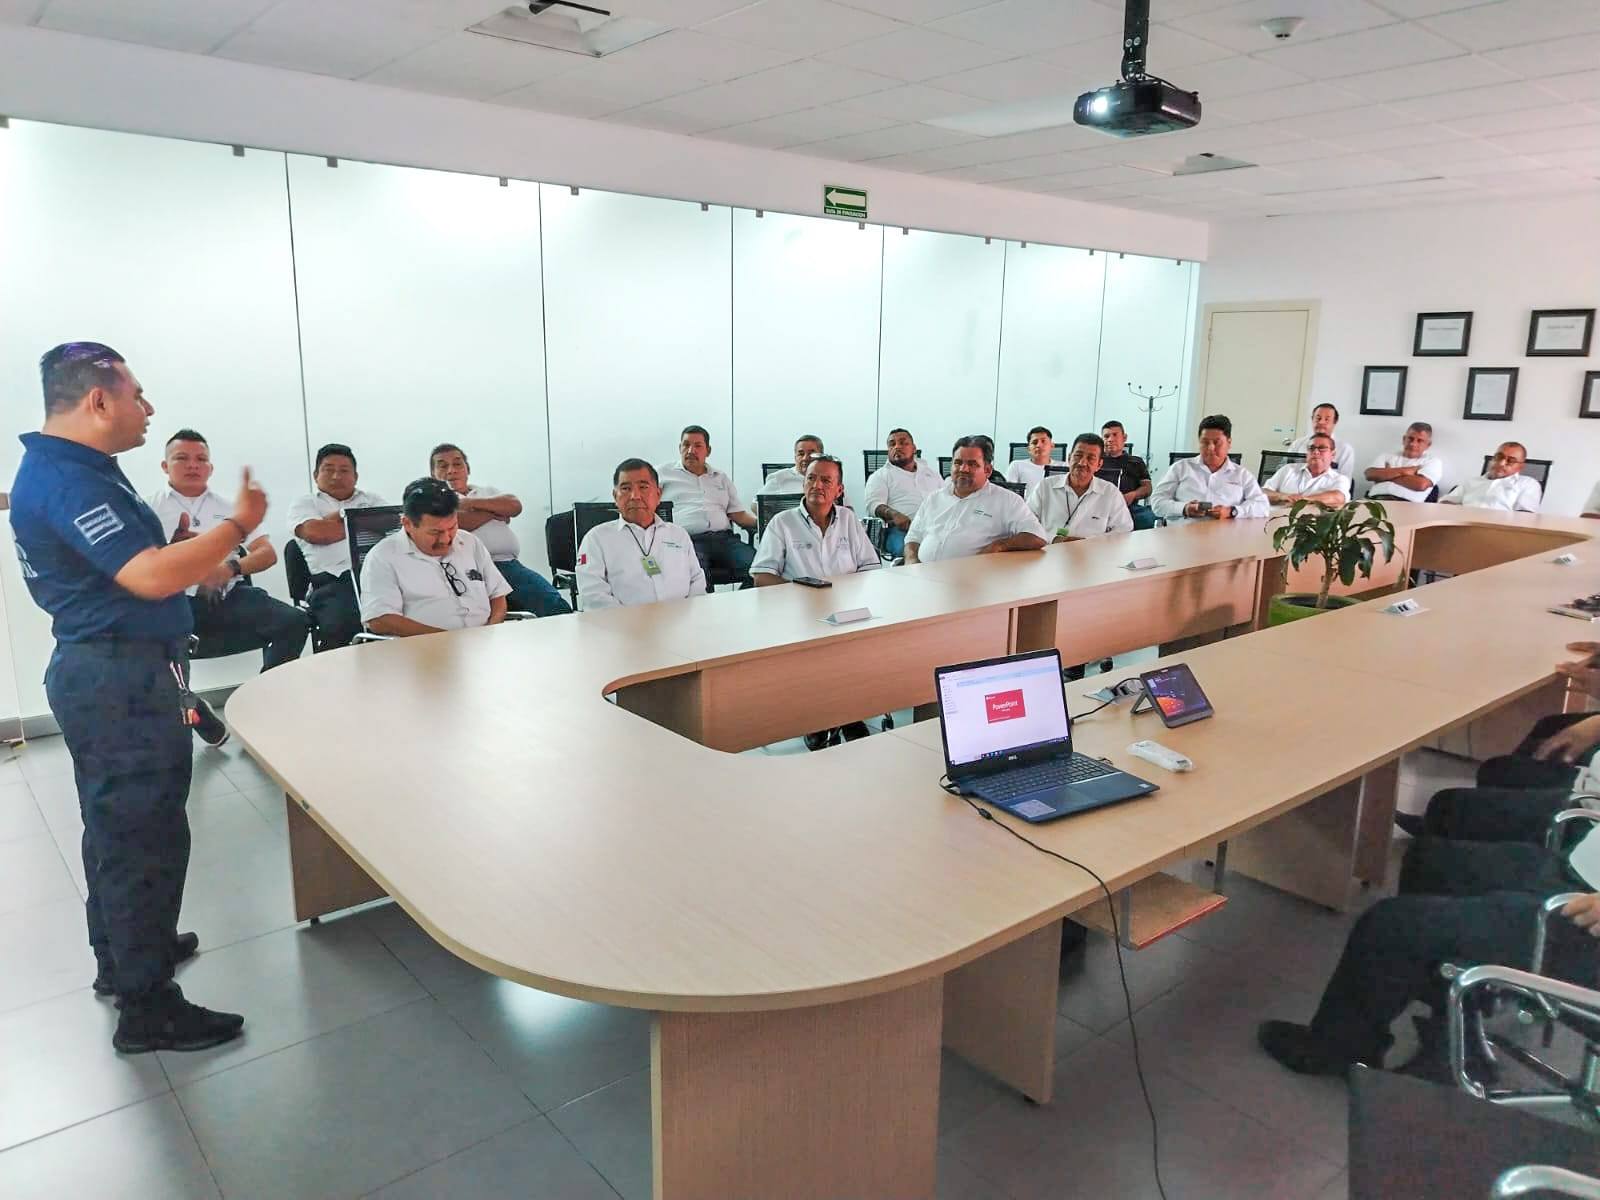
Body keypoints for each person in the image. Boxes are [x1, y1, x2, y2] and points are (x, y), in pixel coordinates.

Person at [10, 342, 256, 1053]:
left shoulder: (81, 469)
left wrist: (183, 548)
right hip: (119, 680)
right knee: (143, 837)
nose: (148, 408)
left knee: (118, 827)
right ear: (98, 400)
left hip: (117, 669)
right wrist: (236, 525)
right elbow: (148, 577)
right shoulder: (68, 479)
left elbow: (127, 565)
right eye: (137, 394)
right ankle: (148, 1008)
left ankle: (124, 956)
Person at [149, 429, 309, 688]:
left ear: (210, 468)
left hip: (228, 596)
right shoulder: (147, 509)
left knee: (294, 621)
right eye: (182, 458)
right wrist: (173, 552)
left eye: (201, 459)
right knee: (151, 641)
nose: (193, 465)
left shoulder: (232, 507)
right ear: (165, 466)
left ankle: (268, 693)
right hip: (173, 602)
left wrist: (230, 568)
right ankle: (181, 706)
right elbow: (137, 566)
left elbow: (267, 553)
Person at [752, 454, 880, 749]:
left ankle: (849, 714)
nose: (817, 485)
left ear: (839, 489)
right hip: (800, 612)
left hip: (846, 610)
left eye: (826, 480)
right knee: (818, 654)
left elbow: (871, 567)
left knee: (861, 649)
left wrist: (854, 597)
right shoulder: (783, 522)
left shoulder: (848, 520)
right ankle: (816, 719)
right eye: (811, 478)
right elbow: (761, 575)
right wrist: (800, 597)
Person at [427, 443, 570, 616]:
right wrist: (494, 512)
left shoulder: (487, 491)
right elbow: (457, 521)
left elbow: (514, 506)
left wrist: (469, 503)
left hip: (508, 564)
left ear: (467, 469)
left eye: (457, 464)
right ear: (433, 474)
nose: (451, 470)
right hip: (466, 570)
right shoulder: (432, 499)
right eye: (443, 466)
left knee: (556, 606)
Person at [358, 478, 511, 637]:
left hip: (483, 643)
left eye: (452, 527)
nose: (445, 539)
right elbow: (380, 619)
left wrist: (490, 631)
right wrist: (445, 640)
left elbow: (497, 595)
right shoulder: (383, 556)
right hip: (424, 647)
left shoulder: (469, 542)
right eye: (435, 532)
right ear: (407, 524)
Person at [286, 444, 389, 650]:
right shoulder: (305, 504)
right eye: (328, 469)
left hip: (380, 576)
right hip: (332, 584)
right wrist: (362, 520)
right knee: (344, 623)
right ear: (315, 475)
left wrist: (337, 520)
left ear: (355, 476)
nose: (336, 476)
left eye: (344, 470)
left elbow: (391, 524)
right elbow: (317, 533)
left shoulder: (372, 499)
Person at [577, 458, 705, 609]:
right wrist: (634, 621)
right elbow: (593, 596)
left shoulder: (678, 535)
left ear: (658, 494)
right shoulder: (596, 539)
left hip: (682, 619)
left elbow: (697, 581)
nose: (635, 496)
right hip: (623, 622)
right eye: (626, 488)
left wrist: (688, 616)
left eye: (643, 487)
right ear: (615, 497)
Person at [903, 437, 1048, 564]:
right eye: (958, 462)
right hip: (922, 576)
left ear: (988, 470)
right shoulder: (934, 498)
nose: (963, 469)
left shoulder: (1007, 500)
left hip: (972, 579)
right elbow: (913, 537)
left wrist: (998, 546)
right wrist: (911, 562)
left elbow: (1037, 536)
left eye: (972, 464)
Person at [657, 425, 755, 589]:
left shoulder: (720, 477)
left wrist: (768, 522)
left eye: (697, 446)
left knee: (761, 569)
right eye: (686, 445)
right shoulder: (662, 474)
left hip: (725, 540)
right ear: (679, 448)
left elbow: (738, 515)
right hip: (688, 541)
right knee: (698, 578)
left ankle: (739, 604)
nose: (690, 450)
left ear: (708, 451)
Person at [1150, 415, 1270, 523]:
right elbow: (1157, 502)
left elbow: (1262, 507)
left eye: (1217, 443)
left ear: (1229, 443)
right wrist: (1184, 508)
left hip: (1226, 535)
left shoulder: (1242, 474)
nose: (1210, 448)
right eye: (1205, 442)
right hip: (1182, 533)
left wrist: (1232, 511)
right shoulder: (1180, 468)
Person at [1026, 433, 1133, 541]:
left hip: (1093, 550)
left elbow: (1124, 530)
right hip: (1049, 548)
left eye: (1090, 458)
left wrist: (1087, 542)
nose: (1082, 463)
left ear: (1099, 465)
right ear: (1069, 458)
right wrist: (1054, 539)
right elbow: (1027, 523)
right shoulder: (1045, 487)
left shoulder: (1110, 492)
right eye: (1078, 456)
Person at [865, 427, 944, 558]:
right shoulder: (880, 476)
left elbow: (946, 497)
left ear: (914, 448)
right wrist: (893, 514)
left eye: (903, 443)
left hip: (936, 528)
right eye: (892, 444)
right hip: (901, 530)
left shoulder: (931, 474)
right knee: (916, 553)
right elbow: (873, 505)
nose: (897, 447)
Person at [1440, 441, 1542, 512]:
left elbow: (1525, 517)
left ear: (1521, 467)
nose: (1501, 463)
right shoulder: (1472, 481)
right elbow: (1445, 502)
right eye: (1499, 457)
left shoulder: (1527, 484)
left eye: (1511, 461)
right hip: (1461, 526)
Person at [1262, 432, 1350, 507]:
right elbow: (1263, 492)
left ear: (1333, 454)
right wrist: (1283, 496)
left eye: (1322, 448)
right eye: (1311, 448)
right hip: (1275, 518)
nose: (1315, 452)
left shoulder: (1339, 479)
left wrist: (1303, 500)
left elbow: (1338, 497)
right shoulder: (1288, 469)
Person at [1365, 422, 1444, 504]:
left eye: (1420, 441)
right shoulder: (1386, 456)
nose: (1413, 444)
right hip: (1374, 501)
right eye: (1410, 438)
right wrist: (1405, 471)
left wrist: (1386, 474)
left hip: (1406, 505)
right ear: (1404, 439)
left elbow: (1421, 485)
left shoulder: (1432, 462)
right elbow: (1370, 474)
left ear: (1428, 445)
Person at [1099, 420, 1155, 531]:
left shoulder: (1136, 462)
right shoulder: (1096, 460)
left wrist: (1133, 495)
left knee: (1150, 518)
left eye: (1115, 435)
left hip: (1128, 507)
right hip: (1098, 507)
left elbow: (1147, 488)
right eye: (1106, 436)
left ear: (1124, 438)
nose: (1110, 439)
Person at [1288, 403, 1356, 480]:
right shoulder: (1297, 444)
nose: (1321, 422)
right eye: (1318, 418)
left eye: (1327, 419)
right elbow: (1285, 471)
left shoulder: (1345, 449)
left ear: (1335, 422)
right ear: (1312, 419)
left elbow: (1345, 480)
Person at [758, 434, 823, 496]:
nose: (805, 458)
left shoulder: (827, 477)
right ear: (795, 457)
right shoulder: (778, 478)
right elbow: (758, 502)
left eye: (811, 454)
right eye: (801, 454)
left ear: (821, 457)